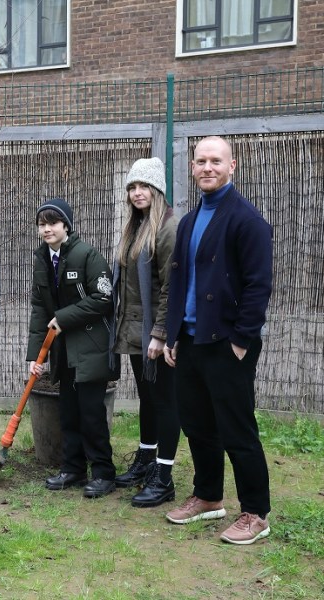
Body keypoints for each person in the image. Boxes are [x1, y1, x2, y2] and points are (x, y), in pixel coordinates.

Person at [163, 136, 273, 545]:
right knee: (197, 425)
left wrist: (241, 340)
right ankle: (209, 496)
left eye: (215, 161)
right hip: (191, 340)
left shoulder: (247, 220)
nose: (207, 167)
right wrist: (173, 333)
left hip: (228, 342)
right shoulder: (189, 221)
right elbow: (179, 283)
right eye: (200, 161)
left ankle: (256, 513)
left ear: (232, 166)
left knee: (236, 429)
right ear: (192, 167)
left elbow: (259, 286)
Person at [27, 199, 119, 499]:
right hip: (63, 350)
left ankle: (103, 473)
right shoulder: (42, 260)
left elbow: (104, 299)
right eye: (42, 224)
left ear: (66, 226)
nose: (46, 229)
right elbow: (40, 309)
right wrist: (35, 356)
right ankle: (73, 468)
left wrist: (64, 318)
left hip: (91, 346)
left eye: (53, 223)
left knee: (91, 413)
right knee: (68, 411)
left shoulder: (88, 255)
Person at [110, 157, 181, 508]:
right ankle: (146, 459)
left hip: (156, 333)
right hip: (136, 328)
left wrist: (161, 334)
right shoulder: (136, 226)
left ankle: (164, 477)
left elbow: (171, 286)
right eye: (132, 187)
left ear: (157, 190)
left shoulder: (168, 228)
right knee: (148, 399)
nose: (137, 193)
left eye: (144, 186)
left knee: (165, 402)